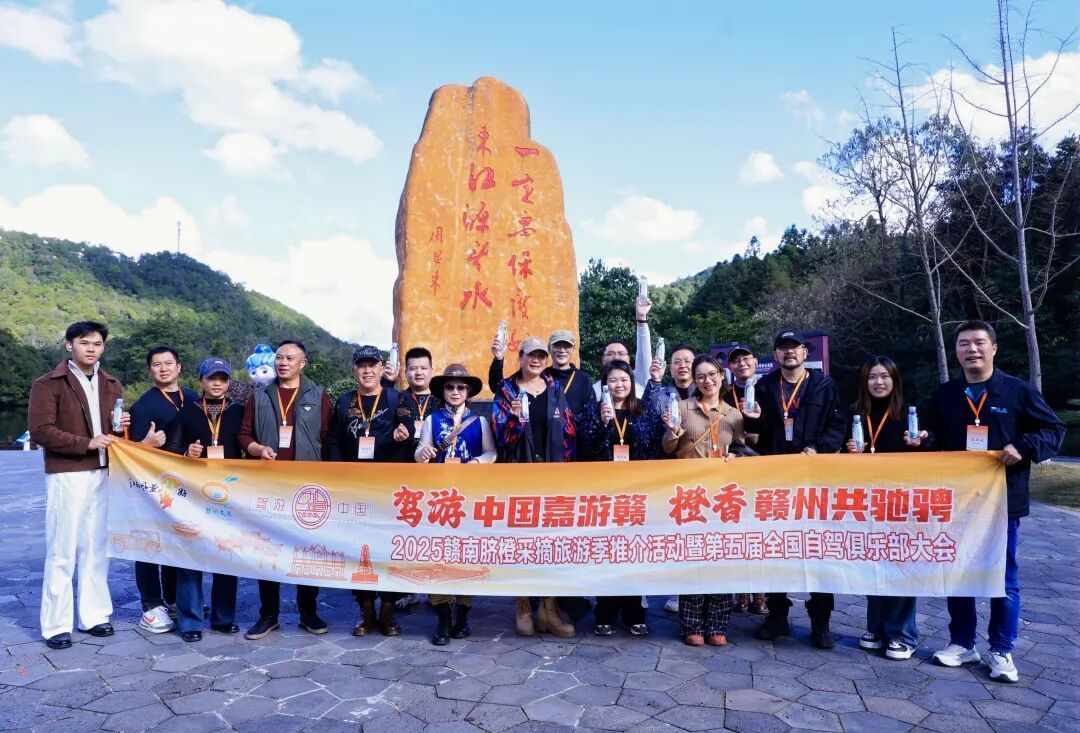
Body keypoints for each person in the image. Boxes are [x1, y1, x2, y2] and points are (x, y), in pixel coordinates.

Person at [925, 320, 1064, 683]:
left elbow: (1053, 430)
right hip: (955, 502)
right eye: (964, 344)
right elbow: (932, 438)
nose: (972, 349)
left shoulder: (1016, 391)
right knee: (959, 574)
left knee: (1004, 577)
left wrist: (1024, 447)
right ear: (955, 351)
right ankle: (962, 643)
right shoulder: (945, 394)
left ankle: (1001, 649)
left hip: (1001, 502)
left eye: (979, 343)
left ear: (994, 348)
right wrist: (922, 439)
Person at [28, 321, 162, 650]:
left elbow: (112, 434)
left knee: (96, 547)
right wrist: (87, 443)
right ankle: (56, 625)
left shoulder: (111, 384)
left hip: (105, 473)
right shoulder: (49, 384)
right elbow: (41, 431)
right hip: (68, 472)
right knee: (62, 549)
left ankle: (94, 615)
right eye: (85, 342)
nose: (92, 348)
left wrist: (121, 430)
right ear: (68, 345)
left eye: (98, 343)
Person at [743, 329, 846, 649]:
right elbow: (757, 432)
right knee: (776, 546)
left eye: (795, 348)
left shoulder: (824, 385)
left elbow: (838, 426)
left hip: (815, 479)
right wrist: (754, 421)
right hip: (776, 480)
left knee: (816, 548)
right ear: (774, 355)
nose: (789, 353)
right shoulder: (764, 386)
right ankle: (777, 616)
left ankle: (821, 621)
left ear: (805, 352)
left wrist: (818, 448)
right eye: (782, 348)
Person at [237, 340, 333, 640]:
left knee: (308, 550)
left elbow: (329, 440)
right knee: (268, 549)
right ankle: (269, 614)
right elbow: (243, 434)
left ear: (303, 363)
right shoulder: (261, 395)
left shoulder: (319, 396)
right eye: (279, 357)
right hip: (270, 486)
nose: (282, 362)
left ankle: (308, 611)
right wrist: (256, 448)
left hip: (307, 488)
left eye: (290, 358)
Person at [492, 337, 578, 637]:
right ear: (521, 357)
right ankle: (523, 606)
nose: (537, 360)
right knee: (522, 543)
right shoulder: (506, 390)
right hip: (519, 479)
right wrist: (514, 419)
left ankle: (549, 609)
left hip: (553, 480)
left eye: (542, 355)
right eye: (532, 355)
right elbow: (499, 436)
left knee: (552, 544)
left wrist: (566, 475)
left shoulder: (555, 388)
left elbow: (568, 432)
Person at [845, 356, 928, 660]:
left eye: (884, 377)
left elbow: (932, 450)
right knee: (873, 563)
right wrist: (848, 449)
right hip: (866, 502)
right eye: (872, 377)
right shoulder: (855, 413)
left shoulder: (909, 414)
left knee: (901, 564)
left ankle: (903, 634)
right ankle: (876, 627)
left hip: (901, 502)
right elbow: (838, 453)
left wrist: (921, 442)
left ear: (894, 380)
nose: (878, 382)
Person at [329, 345, 414, 636]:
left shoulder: (396, 398)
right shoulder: (343, 402)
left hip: (389, 489)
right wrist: (339, 475)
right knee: (358, 549)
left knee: (388, 548)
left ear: (381, 369)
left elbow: (408, 424)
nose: (367, 370)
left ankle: (388, 612)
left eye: (372, 365)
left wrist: (405, 432)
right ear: (354, 370)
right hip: (355, 488)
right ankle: (365, 612)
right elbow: (336, 441)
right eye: (361, 365)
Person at [661, 354, 745, 646]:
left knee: (721, 560)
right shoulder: (683, 407)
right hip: (690, 496)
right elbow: (669, 447)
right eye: (700, 377)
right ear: (694, 382)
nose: (707, 380)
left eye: (712, 375)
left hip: (723, 497)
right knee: (693, 558)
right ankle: (691, 625)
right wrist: (672, 433)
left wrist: (734, 455)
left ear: (722, 377)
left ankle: (718, 624)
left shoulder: (733, 414)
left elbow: (741, 448)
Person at [415, 364, 496, 645]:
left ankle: (462, 613)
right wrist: (421, 452)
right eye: (450, 387)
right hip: (439, 499)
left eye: (460, 387)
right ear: (443, 391)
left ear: (468, 392)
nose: (455, 391)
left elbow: (491, 452)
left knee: (465, 556)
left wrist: (477, 462)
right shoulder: (431, 420)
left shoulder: (479, 421)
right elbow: (419, 454)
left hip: (468, 498)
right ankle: (442, 615)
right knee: (438, 555)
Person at [587, 360, 664, 637]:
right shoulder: (595, 410)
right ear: (604, 384)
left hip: (636, 492)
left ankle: (634, 614)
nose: (619, 385)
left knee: (633, 553)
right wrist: (604, 424)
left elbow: (655, 447)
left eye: (624, 380)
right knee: (607, 553)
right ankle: (604, 612)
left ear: (631, 383)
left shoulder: (643, 410)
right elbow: (587, 446)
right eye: (613, 380)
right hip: (605, 492)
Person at [168, 357, 243, 642]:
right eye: (212, 378)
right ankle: (190, 621)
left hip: (230, 494)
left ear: (228, 382)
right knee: (190, 556)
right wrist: (188, 454)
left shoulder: (238, 411)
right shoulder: (187, 412)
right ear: (201, 381)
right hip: (194, 495)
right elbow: (171, 452)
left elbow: (247, 444)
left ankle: (224, 618)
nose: (217, 383)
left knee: (226, 553)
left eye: (222, 379)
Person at [128, 346, 200, 634]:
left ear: (179, 367)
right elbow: (128, 454)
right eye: (156, 365)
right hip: (153, 487)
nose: (163, 368)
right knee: (148, 544)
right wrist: (146, 445)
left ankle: (173, 599)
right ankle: (150, 605)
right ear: (150, 371)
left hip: (187, 485)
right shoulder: (143, 406)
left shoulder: (194, 398)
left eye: (168, 363)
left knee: (178, 542)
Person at [722, 342, 767, 616]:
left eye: (745, 359)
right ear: (730, 367)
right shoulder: (725, 393)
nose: (741, 364)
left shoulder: (769, 389)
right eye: (735, 361)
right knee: (736, 531)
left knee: (760, 533)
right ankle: (739, 593)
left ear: (755, 361)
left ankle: (760, 595)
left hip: (762, 467)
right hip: (735, 466)